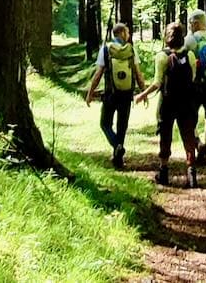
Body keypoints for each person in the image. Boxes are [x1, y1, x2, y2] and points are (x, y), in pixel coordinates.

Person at [135, 22, 199, 188]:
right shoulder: (190, 55)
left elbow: (157, 82)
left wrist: (143, 94)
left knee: (165, 135)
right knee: (188, 135)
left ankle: (163, 171)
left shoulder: (162, 56)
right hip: (187, 102)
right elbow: (192, 78)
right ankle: (192, 173)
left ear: (166, 37)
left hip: (168, 102)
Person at [85, 22, 146, 169]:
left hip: (111, 94)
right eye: (128, 32)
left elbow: (98, 74)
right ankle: (118, 158)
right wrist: (143, 92)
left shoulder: (106, 49)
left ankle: (116, 146)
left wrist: (90, 93)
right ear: (122, 34)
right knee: (122, 126)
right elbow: (138, 74)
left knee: (105, 124)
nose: (129, 35)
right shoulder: (131, 50)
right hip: (127, 95)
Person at [183, 9, 206, 166]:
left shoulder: (190, 40)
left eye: (190, 22)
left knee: (190, 118)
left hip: (194, 85)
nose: (190, 25)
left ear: (195, 23)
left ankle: (198, 144)